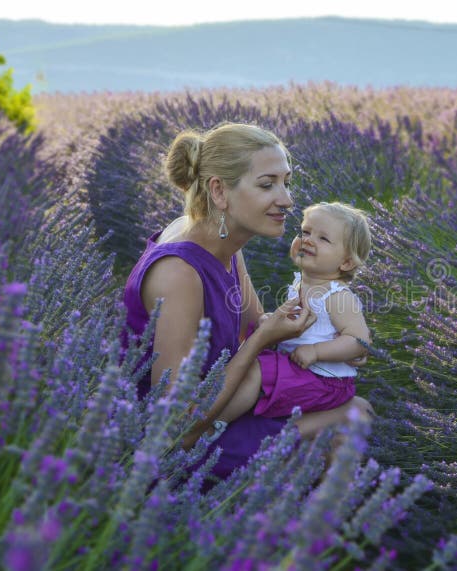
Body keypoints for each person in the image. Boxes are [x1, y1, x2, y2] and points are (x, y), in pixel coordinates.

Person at [121, 122, 373, 478]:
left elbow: (256, 323)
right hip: (164, 444)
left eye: (287, 182)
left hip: (218, 403)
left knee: (351, 407)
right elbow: (173, 425)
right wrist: (262, 340)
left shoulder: (221, 243)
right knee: (353, 417)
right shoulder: (179, 272)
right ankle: (308, 530)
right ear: (219, 192)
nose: (286, 200)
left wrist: (329, 341)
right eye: (267, 185)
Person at [212, 202, 372, 434]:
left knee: (256, 370)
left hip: (325, 382)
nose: (307, 240)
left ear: (345, 262)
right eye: (305, 232)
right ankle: (220, 415)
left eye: (323, 239)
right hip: (301, 370)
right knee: (247, 362)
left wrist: (316, 351)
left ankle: (211, 424)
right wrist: (273, 321)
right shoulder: (302, 282)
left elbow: (359, 340)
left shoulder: (337, 295)